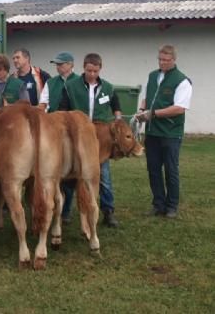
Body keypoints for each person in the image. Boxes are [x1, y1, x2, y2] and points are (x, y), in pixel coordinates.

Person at [59, 53, 122, 227]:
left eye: (95, 71)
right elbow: (62, 109)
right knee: (70, 175)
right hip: (77, 136)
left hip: (100, 138)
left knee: (103, 176)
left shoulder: (108, 88)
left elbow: (116, 107)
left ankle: (108, 212)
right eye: (89, 70)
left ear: (100, 69)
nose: (92, 74)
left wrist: (118, 120)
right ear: (83, 68)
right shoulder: (70, 86)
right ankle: (65, 212)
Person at [135, 45, 192, 219]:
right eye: (160, 59)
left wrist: (152, 114)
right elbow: (146, 97)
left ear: (174, 60)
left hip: (171, 133)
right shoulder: (152, 76)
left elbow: (179, 108)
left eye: (166, 60)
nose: (162, 63)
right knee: (153, 169)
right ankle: (158, 204)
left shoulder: (182, 80)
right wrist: (142, 109)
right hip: (152, 133)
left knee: (171, 169)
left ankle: (172, 206)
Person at [38, 51, 78, 224]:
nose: (58, 67)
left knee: (70, 174)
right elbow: (43, 105)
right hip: (53, 132)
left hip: (73, 133)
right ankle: (53, 207)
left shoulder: (79, 82)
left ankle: (66, 210)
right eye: (57, 64)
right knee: (53, 171)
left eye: (61, 64)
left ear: (71, 65)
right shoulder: (50, 83)